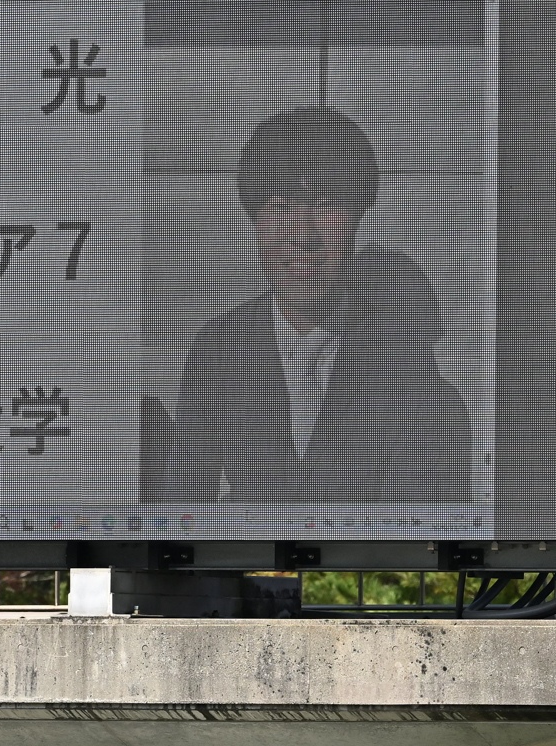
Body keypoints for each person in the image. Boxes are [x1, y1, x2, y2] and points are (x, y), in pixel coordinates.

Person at [151, 106, 471, 504]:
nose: (303, 234)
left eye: (326, 204)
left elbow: (419, 526)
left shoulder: (408, 369)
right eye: (280, 206)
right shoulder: (219, 350)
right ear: (255, 220)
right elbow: (181, 515)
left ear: (358, 216)